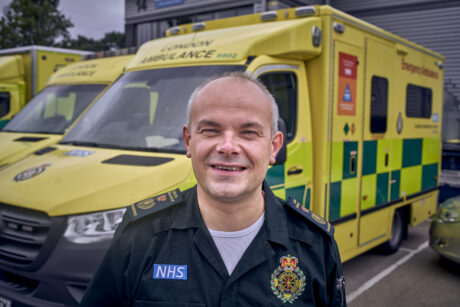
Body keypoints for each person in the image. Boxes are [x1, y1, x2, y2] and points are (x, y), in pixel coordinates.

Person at [81, 72, 346, 306]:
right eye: (210, 130)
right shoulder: (139, 235)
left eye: (249, 133)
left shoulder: (314, 246)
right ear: (188, 140)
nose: (227, 146)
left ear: (274, 147)